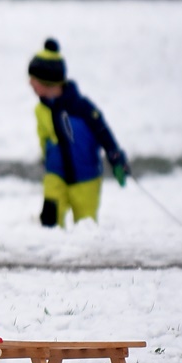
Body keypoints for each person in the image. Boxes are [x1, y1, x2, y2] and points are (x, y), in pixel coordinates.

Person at [28, 38, 130, 227]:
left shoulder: (82, 108)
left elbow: (103, 133)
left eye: (34, 81)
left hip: (86, 177)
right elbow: (44, 137)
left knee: (86, 225)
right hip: (55, 173)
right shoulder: (40, 110)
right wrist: (45, 157)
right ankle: (49, 248)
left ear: (48, 82)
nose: (30, 84)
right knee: (49, 220)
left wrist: (115, 157)